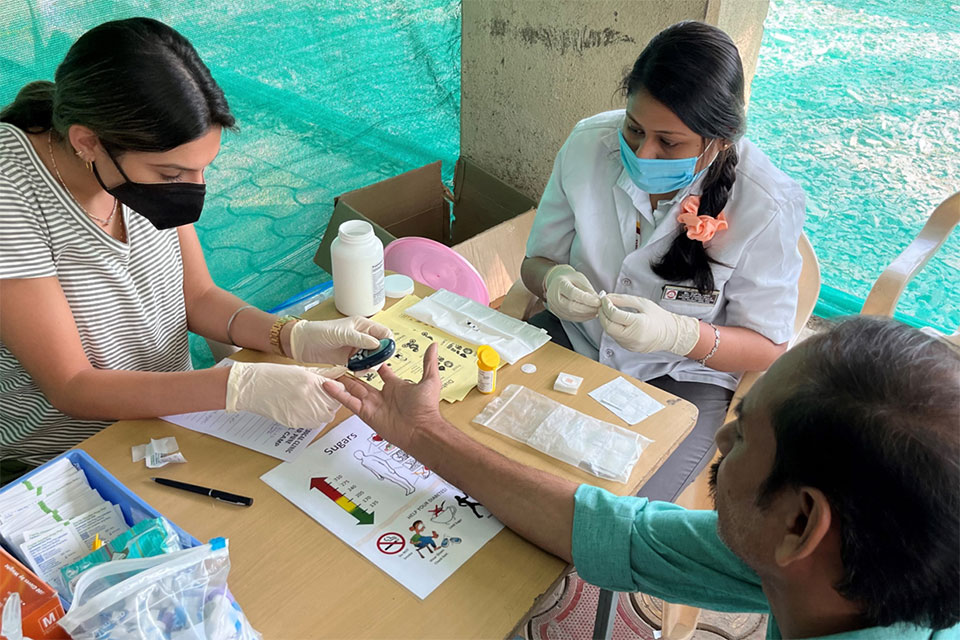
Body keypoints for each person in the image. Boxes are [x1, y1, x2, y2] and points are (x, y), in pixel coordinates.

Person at [324, 317, 960, 639]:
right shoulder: (844, 564)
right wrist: (422, 434)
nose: (720, 436)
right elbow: (613, 532)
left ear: (799, 521)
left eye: (742, 432)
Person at [0, 18, 388, 482]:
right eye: (171, 175)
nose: (193, 189)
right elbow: (71, 386)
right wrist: (236, 385)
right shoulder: (12, 199)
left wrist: (289, 335)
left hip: (172, 413)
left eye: (203, 169)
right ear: (88, 142)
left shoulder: (140, 168)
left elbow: (198, 296)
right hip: (70, 452)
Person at [520, 21, 806, 502]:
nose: (642, 152)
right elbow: (535, 263)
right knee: (487, 440)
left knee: (614, 506)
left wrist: (678, 334)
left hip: (679, 376)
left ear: (718, 139)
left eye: (668, 143)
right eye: (633, 129)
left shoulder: (766, 202)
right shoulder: (588, 145)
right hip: (575, 337)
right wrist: (552, 281)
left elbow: (766, 346)